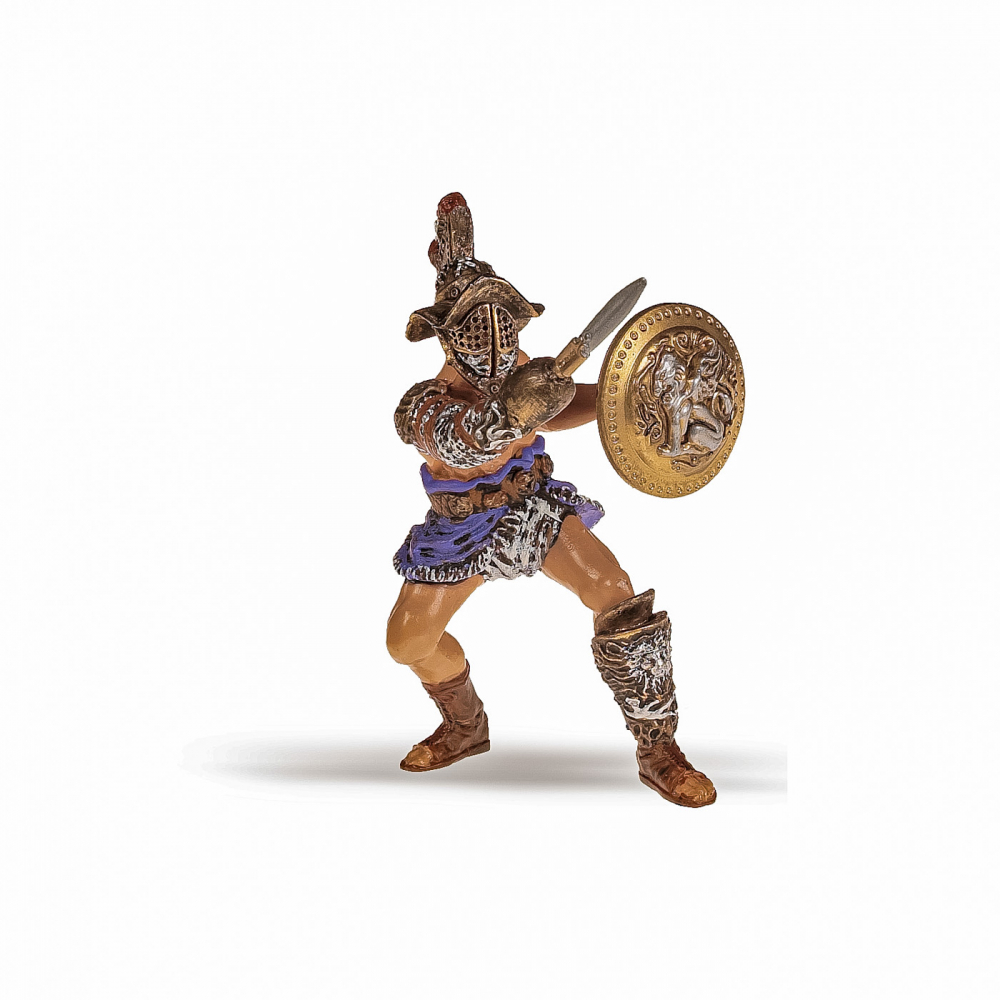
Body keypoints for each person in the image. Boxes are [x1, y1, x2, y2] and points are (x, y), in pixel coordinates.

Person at [387, 193, 716, 807]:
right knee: (407, 642)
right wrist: (516, 410)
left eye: (504, 321)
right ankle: (465, 725)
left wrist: (626, 400)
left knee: (614, 590)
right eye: (478, 323)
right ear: (446, 335)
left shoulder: (525, 373)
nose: (495, 337)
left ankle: (659, 749)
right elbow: (463, 441)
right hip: (460, 531)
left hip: (533, 510)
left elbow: (572, 405)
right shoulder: (422, 405)